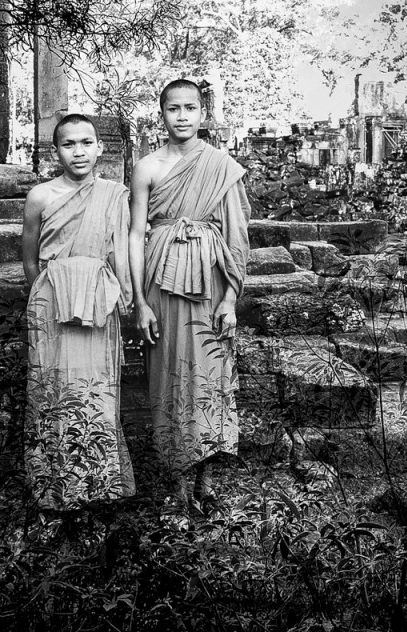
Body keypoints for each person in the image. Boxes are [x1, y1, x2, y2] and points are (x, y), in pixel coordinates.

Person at [129, 79, 250, 504]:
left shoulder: (221, 165)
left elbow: (237, 232)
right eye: (173, 108)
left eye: (190, 108)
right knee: (168, 371)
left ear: (203, 114)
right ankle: (176, 477)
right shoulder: (147, 167)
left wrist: (231, 296)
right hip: (161, 277)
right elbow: (134, 233)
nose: (182, 116)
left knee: (210, 371)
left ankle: (207, 476)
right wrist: (139, 301)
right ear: (160, 114)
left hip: (210, 278)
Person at [22, 113, 135, 512]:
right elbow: (31, 259)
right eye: (69, 144)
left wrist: (124, 295)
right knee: (53, 389)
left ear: (99, 147)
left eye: (86, 142)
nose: (79, 152)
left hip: (98, 299)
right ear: (56, 151)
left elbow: (120, 251)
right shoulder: (41, 196)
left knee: (96, 389)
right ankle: (55, 490)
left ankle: (99, 485)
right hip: (53, 300)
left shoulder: (114, 193)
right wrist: (48, 293)